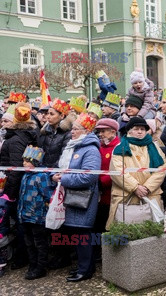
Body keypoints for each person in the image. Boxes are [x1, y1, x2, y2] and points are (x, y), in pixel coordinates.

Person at [52, 113, 101, 282]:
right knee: (78, 235)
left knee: (83, 235)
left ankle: (85, 270)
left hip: (84, 199)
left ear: (86, 130)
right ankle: (84, 267)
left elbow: (89, 177)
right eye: (72, 128)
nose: (72, 131)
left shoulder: (91, 149)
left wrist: (63, 179)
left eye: (76, 129)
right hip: (74, 197)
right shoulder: (77, 146)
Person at [107, 117, 166, 229]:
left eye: (143, 129)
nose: (140, 131)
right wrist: (135, 187)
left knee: (152, 233)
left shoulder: (155, 147)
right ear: (129, 130)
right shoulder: (120, 148)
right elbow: (117, 170)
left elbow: (161, 168)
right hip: (125, 196)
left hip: (151, 194)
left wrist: (147, 187)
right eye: (136, 129)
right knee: (125, 231)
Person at [0, 102, 38, 269]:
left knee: (21, 224)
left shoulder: (16, 139)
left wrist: (9, 193)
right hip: (21, 186)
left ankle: (22, 257)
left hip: (15, 188)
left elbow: (15, 169)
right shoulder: (25, 135)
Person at [17, 146, 56, 280]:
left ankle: (41, 267)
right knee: (29, 243)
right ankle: (32, 264)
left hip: (37, 216)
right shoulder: (25, 175)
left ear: (36, 162)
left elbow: (48, 195)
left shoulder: (42, 176)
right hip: (25, 215)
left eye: (28, 161)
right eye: (23, 161)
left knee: (40, 243)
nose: (24, 164)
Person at [94, 119, 120, 235]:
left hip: (109, 193)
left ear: (113, 132)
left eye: (103, 131)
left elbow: (116, 170)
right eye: (99, 131)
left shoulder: (118, 148)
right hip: (98, 193)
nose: (100, 134)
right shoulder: (100, 146)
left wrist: (101, 182)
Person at [38, 99, 74, 168]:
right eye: (47, 113)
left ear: (62, 116)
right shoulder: (45, 131)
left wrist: (52, 173)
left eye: (52, 114)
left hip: (56, 172)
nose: (48, 116)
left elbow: (64, 157)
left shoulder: (68, 133)